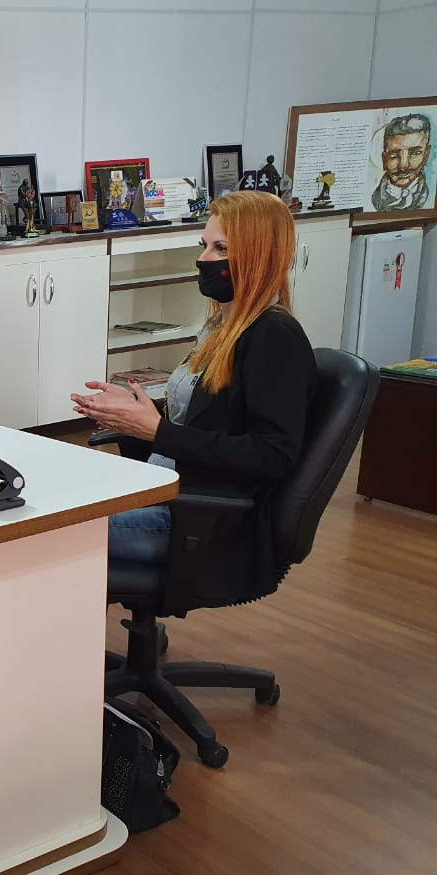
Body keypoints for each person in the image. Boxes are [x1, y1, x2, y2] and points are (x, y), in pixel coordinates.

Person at [71, 191, 317, 598]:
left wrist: (157, 432)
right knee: (53, 506)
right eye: (204, 245)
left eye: (221, 248)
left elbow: (273, 454)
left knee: (43, 537)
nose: (204, 259)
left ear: (256, 256)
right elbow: (206, 417)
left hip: (200, 520)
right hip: (169, 492)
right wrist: (133, 414)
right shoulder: (223, 328)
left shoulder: (275, 337)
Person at [371, 113, 431, 211]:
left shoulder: (430, 196)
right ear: (384, 159)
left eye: (415, 153)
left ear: (426, 155)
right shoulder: (375, 197)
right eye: (394, 155)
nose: (404, 165)